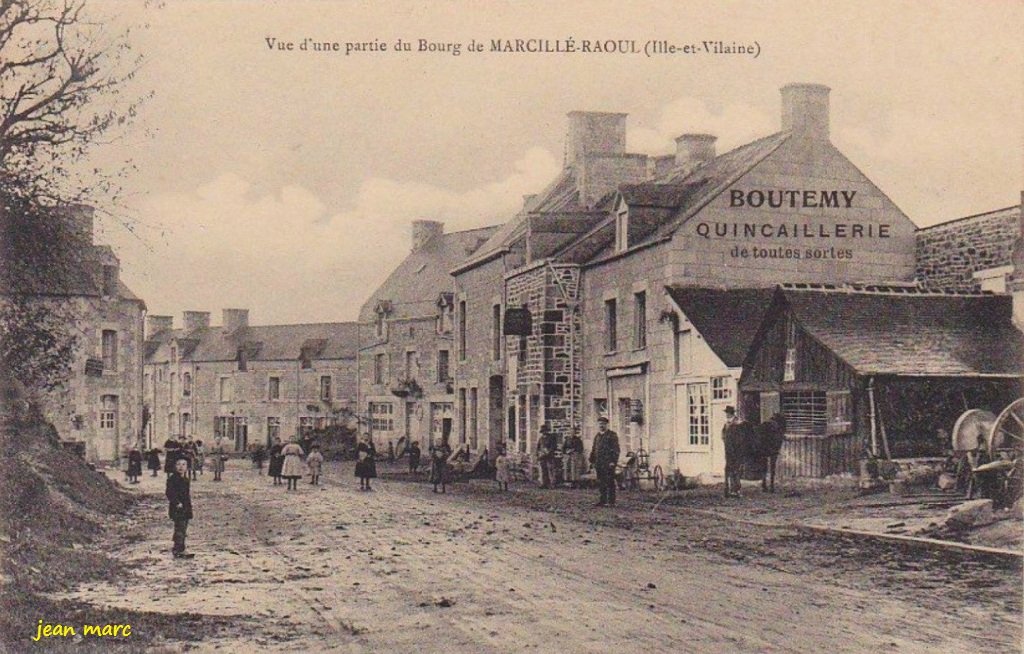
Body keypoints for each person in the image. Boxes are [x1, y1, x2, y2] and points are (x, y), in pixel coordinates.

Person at [165, 458, 194, 559]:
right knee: (180, 528)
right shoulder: (173, 479)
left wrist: (188, 506)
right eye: (178, 464)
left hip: (185, 507)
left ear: (187, 467)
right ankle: (179, 549)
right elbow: (169, 493)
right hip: (177, 508)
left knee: (183, 528)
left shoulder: (185, 479)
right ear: (174, 466)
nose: (181, 467)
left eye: (183, 465)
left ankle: (178, 547)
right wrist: (176, 502)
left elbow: (187, 495)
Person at [589, 416, 620, 507]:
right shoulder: (597, 436)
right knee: (601, 482)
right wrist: (592, 460)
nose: (601, 426)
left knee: (610, 481)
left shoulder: (612, 435)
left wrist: (613, 461)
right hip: (599, 463)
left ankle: (611, 501)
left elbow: (616, 449)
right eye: (600, 424)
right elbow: (594, 449)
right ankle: (602, 500)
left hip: (608, 463)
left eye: (603, 424)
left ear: (607, 425)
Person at [722, 406, 750, 498]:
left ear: (731, 413)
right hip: (728, 450)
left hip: (737, 450)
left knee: (736, 469)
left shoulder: (738, 423)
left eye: (727, 413)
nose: (726, 414)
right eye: (726, 413)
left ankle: (737, 490)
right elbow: (723, 435)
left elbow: (741, 438)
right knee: (729, 469)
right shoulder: (726, 424)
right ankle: (731, 489)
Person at [536, 424, 558, 489]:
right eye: (542, 432)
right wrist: (538, 454)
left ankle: (552, 484)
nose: (543, 433)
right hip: (542, 457)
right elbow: (538, 447)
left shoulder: (551, 438)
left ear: (547, 431)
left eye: (544, 431)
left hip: (549, 456)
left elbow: (553, 446)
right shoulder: (541, 439)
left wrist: (548, 451)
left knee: (550, 470)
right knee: (543, 470)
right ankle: (544, 483)